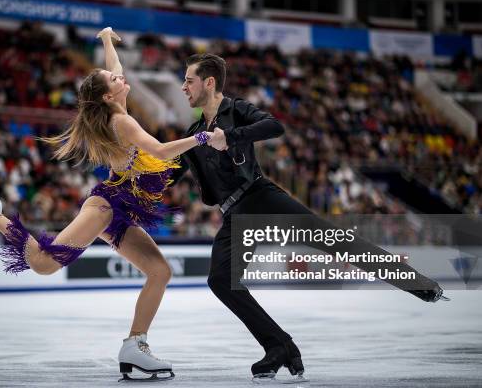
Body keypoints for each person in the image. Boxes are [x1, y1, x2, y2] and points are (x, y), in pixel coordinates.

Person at [0, 27, 214, 382]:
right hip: (106, 207)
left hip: (122, 209)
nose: (121, 75)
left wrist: (106, 41)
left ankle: (135, 346)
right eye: (114, 78)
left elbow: (113, 67)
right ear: (107, 95)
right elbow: (162, 152)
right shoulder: (123, 121)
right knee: (44, 263)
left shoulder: (116, 108)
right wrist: (202, 137)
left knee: (160, 271)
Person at [172, 53, 448, 382]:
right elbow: (170, 171)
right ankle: (280, 347)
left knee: (336, 243)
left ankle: (418, 283)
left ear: (209, 82)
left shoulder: (236, 110)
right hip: (235, 215)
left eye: (189, 80)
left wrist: (230, 137)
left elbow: (274, 126)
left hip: (262, 199)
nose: (183, 86)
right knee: (220, 280)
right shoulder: (193, 132)